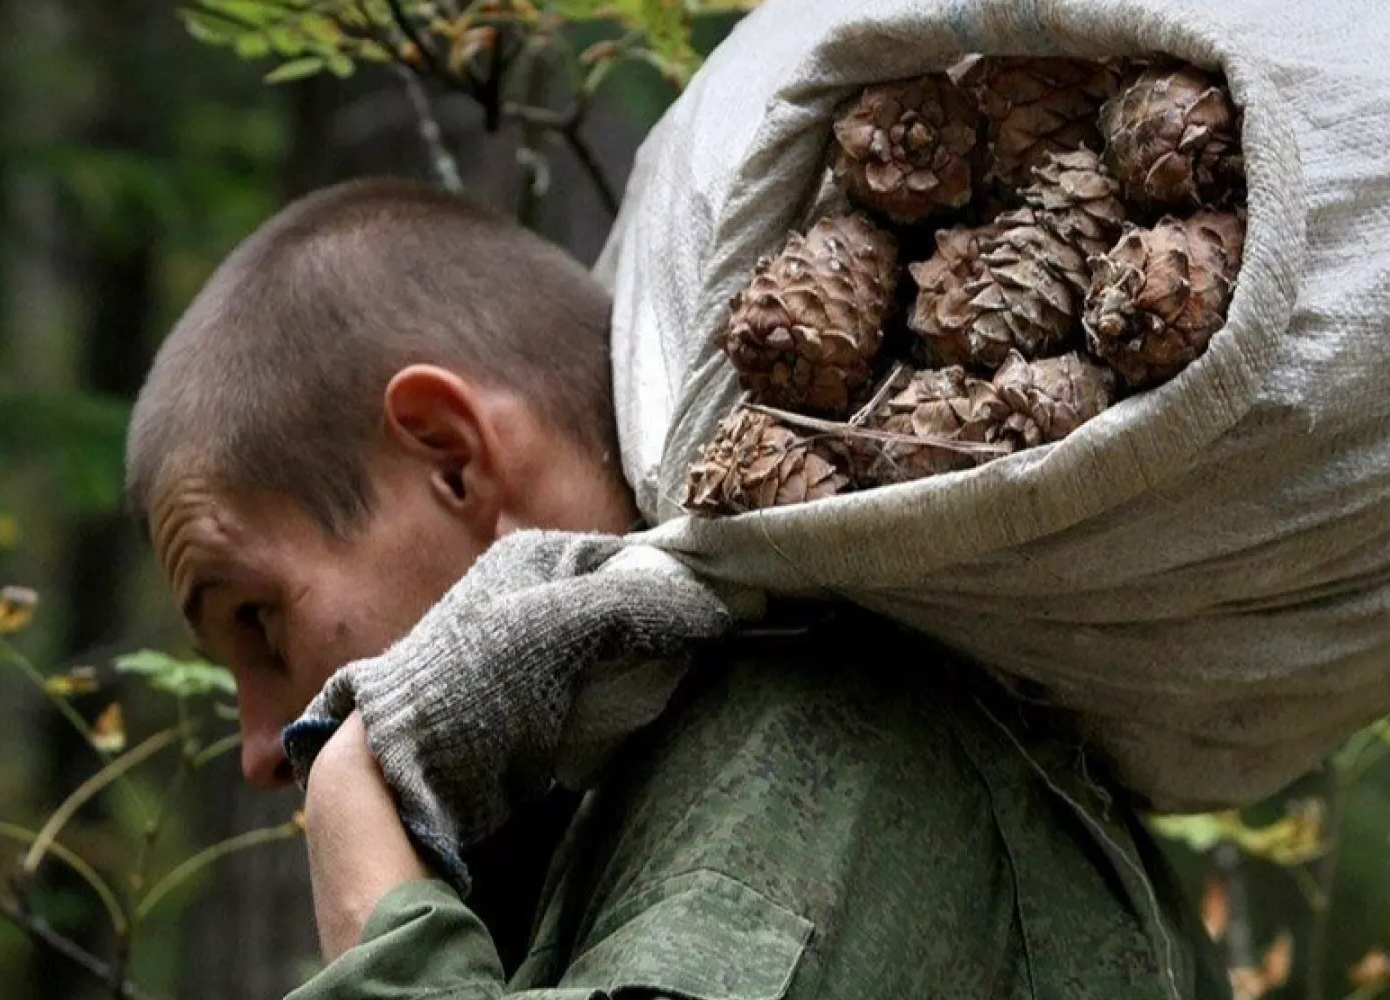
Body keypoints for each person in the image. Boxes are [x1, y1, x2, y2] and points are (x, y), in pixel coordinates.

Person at [126, 177, 1229, 999]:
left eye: (258, 619)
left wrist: (360, 812)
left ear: (453, 457)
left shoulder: (813, 748)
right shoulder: (655, 793)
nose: (261, 747)